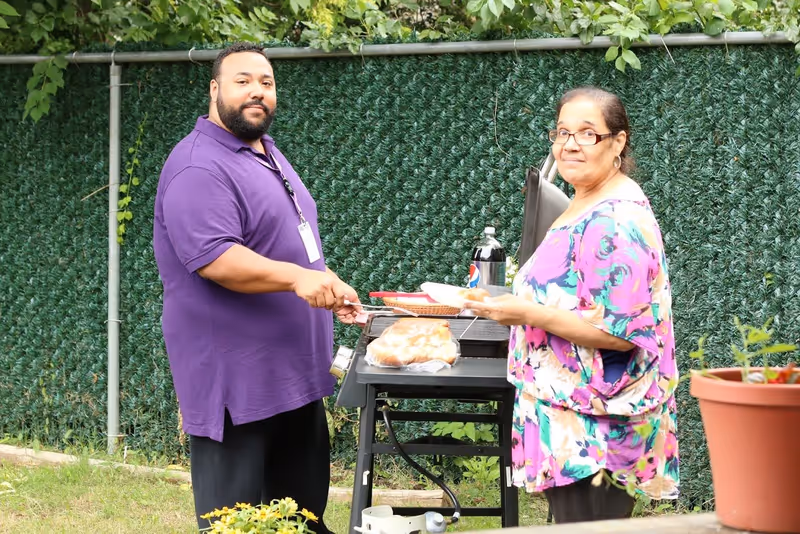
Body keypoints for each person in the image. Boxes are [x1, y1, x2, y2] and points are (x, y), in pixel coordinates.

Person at [152, 41, 360, 533]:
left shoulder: (261, 150)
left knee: (301, 519)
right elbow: (215, 258)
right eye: (242, 80)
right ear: (214, 89)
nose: (256, 92)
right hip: (238, 388)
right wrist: (299, 279)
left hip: (292, 378)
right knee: (239, 523)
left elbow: (289, 243)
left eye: (265, 83)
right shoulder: (198, 165)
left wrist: (326, 281)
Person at [464, 87, 679, 523]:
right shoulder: (586, 200)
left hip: (599, 427)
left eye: (587, 133)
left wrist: (525, 313)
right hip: (574, 418)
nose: (570, 144)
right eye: (562, 132)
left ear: (618, 142)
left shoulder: (615, 221)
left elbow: (619, 335)